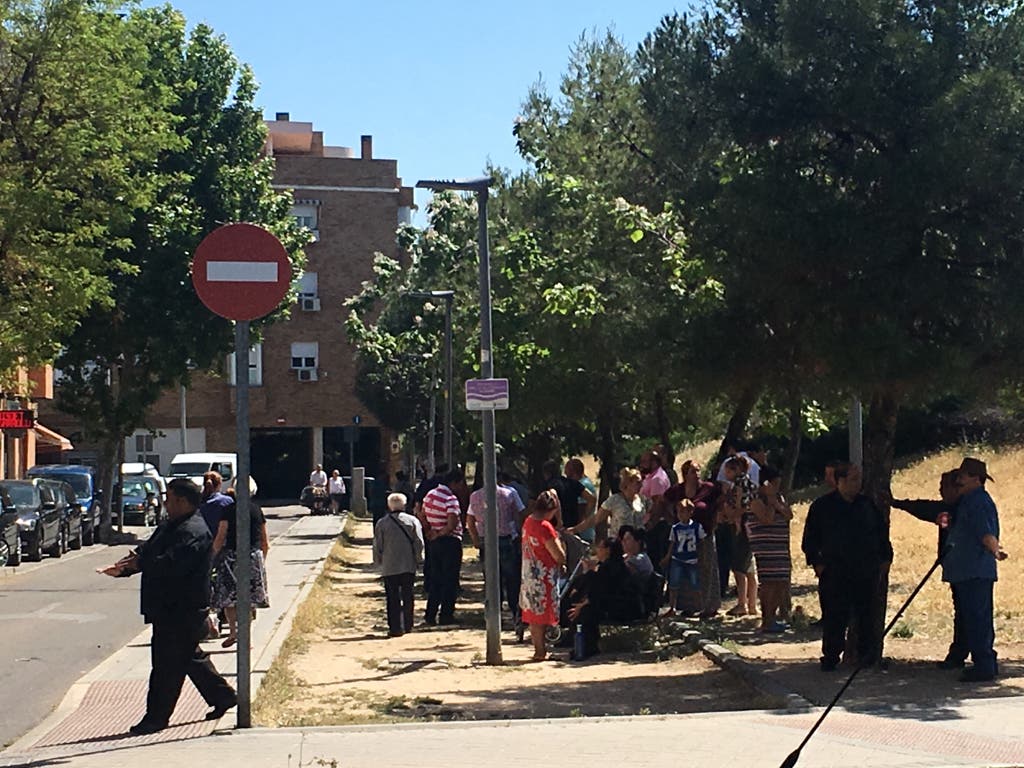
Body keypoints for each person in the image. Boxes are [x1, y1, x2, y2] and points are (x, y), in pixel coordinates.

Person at [97, 479, 236, 734]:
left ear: (182, 501)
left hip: (182, 609)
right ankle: (223, 696)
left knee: (166, 666)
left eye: (169, 499)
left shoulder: (193, 531)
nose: (165, 504)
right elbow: (148, 551)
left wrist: (139, 565)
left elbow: (171, 564)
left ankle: (156, 718)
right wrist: (124, 567)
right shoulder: (170, 525)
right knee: (189, 658)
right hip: (166, 608)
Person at [802, 462, 893, 671]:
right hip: (835, 571)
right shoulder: (822, 507)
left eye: (858, 479)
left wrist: (886, 558)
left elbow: (881, 534)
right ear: (840, 481)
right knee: (834, 616)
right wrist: (818, 564)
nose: (857, 483)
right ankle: (831, 657)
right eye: (853, 479)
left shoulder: (867, 505)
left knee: (866, 615)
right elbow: (810, 539)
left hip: (865, 570)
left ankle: (867, 657)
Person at [890, 468, 965, 668]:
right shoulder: (950, 508)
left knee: (966, 612)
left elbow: (928, 510)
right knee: (963, 610)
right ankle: (961, 653)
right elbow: (925, 508)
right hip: (955, 566)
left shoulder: (960, 509)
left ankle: (961, 654)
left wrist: (898, 504)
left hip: (964, 567)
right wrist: (898, 503)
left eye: (944, 487)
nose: (940, 491)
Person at [942, 458, 1008, 682]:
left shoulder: (977, 502)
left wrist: (995, 550)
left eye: (962, 476)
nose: (958, 480)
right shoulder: (967, 501)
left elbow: (986, 532)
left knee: (978, 619)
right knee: (973, 619)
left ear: (976, 479)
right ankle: (984, 663)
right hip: (967, 570)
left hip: (974, 570)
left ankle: (984, 665)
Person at [565, 537, 645, 658]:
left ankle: (588, 647)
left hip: (625, 608)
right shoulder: (607, 565)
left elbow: (602, 593)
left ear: (608, 550)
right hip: (614, 604)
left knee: (587, 611)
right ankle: (579, 642)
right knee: (585, 608)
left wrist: (583, 605)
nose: (597, 550)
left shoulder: (612, 567)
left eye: (600, 547)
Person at [210, 487, 271, 648]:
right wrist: (261, 561)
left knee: (229, 598)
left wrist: (212, 557)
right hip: (253, 557)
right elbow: (264, 540)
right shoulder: (256, 510)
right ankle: (246, 637)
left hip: (232, 557)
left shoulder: (228, 510)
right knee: (249, 600)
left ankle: (233, 632)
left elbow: (221, 536)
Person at [467, 474, 526, 634]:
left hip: (486, 541)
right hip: (507, 540)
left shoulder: (475, 496)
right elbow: (519, 514)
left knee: (492, 580)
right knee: (512, 580)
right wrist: (520, 535)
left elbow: (470, 520)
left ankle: (494, 615)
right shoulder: (510, 493)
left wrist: (475, 540)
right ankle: (516, 615)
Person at [666, 459, 722, 617]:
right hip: (684, 536)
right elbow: (664, 502)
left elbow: (721, 500)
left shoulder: (708, 489)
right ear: (685, 474)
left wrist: (716, 518)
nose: (697, 474)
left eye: (698, 470)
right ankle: (689, 606)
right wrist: (671, 519)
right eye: (693, 471)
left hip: (704, 535)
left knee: (706, 568)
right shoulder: (677, 490)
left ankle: (709, 606)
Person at [520, 489, 566, 661]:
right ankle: (540, 650)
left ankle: (539, 649)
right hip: (543, 575)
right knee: (542, 615)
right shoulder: (545, 527)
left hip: (529, 574)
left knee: (534, 615)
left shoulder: (528, 521)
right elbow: (559, 555)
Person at [747, 466, 793, 633]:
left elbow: (788, 514)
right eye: (774, 484)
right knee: (768, 583)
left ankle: (774, 617)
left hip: (780, 546)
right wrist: (771, 501)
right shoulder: (755, 499)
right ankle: (767, 619)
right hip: (765, 547)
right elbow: (767, 518)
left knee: (781, 582)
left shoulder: (779, 497)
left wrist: (776, 501)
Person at [373, 492, 425, 638]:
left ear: (389, 506)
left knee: (392, 597)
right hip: (408, 564)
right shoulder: (413, 521)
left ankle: (395, 627)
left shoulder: (382, 523)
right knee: (408, 594)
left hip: (390, 565)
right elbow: (419, 542)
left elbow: (378, 545)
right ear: (404, 505)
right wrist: (419, 558)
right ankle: (408, 624)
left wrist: (378, 561)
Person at [419, 467, 466, 625]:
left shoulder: (430, 495)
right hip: (450, 542)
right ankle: (446, 614)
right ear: (454, 482)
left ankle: (430, 614)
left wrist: (429, 531)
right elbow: (452, 523)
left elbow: (422, 514)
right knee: (450, 579)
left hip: (434, 543)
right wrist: (440, 533)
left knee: (436, 578)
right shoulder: (451, 499)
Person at [720, 456, 758, 617]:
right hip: (750, 527)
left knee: (739, 567)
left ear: (736, 470)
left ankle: (742, 603)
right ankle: (752, 604)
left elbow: (740, 505)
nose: (725, 474)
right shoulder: (750, 483)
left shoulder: (739, 485)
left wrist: (735, 519)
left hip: (741, 527)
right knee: (749, 567)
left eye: (728, 471)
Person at [569, 467, 648, 542]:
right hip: (619, 543)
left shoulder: (643, 500)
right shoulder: (615, 500)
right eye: (638, 483)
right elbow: (596, 519)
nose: (641, 485)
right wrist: (575, 529)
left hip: (638, 544)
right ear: (628, 483)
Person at [662, 499, 705, 615]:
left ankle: (698, 606)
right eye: (678, 512)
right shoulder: (675, 528)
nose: (680, 515)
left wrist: (701, 557)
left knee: (695, 584)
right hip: (678, 559)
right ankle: (672, 607)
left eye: (683, 511)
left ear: (690, 512)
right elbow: (672, 543)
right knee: (673, 583)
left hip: (692, 559)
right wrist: (668, 556)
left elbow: (701, 543)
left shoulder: (697, 527)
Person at [541, 459, 594, 531]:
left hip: (554, 528)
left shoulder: (547, 487)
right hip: (572, 528)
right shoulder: (573, 483)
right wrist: (582, 519)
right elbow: (592, 499)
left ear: (546, 474)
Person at [564, 458, 597, 543]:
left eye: (567, 471)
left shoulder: (582, 485)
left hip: (583, 533)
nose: (565, 474)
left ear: (573, 471)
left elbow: (582, 508)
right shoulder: (586, 482)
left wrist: (578, 525)